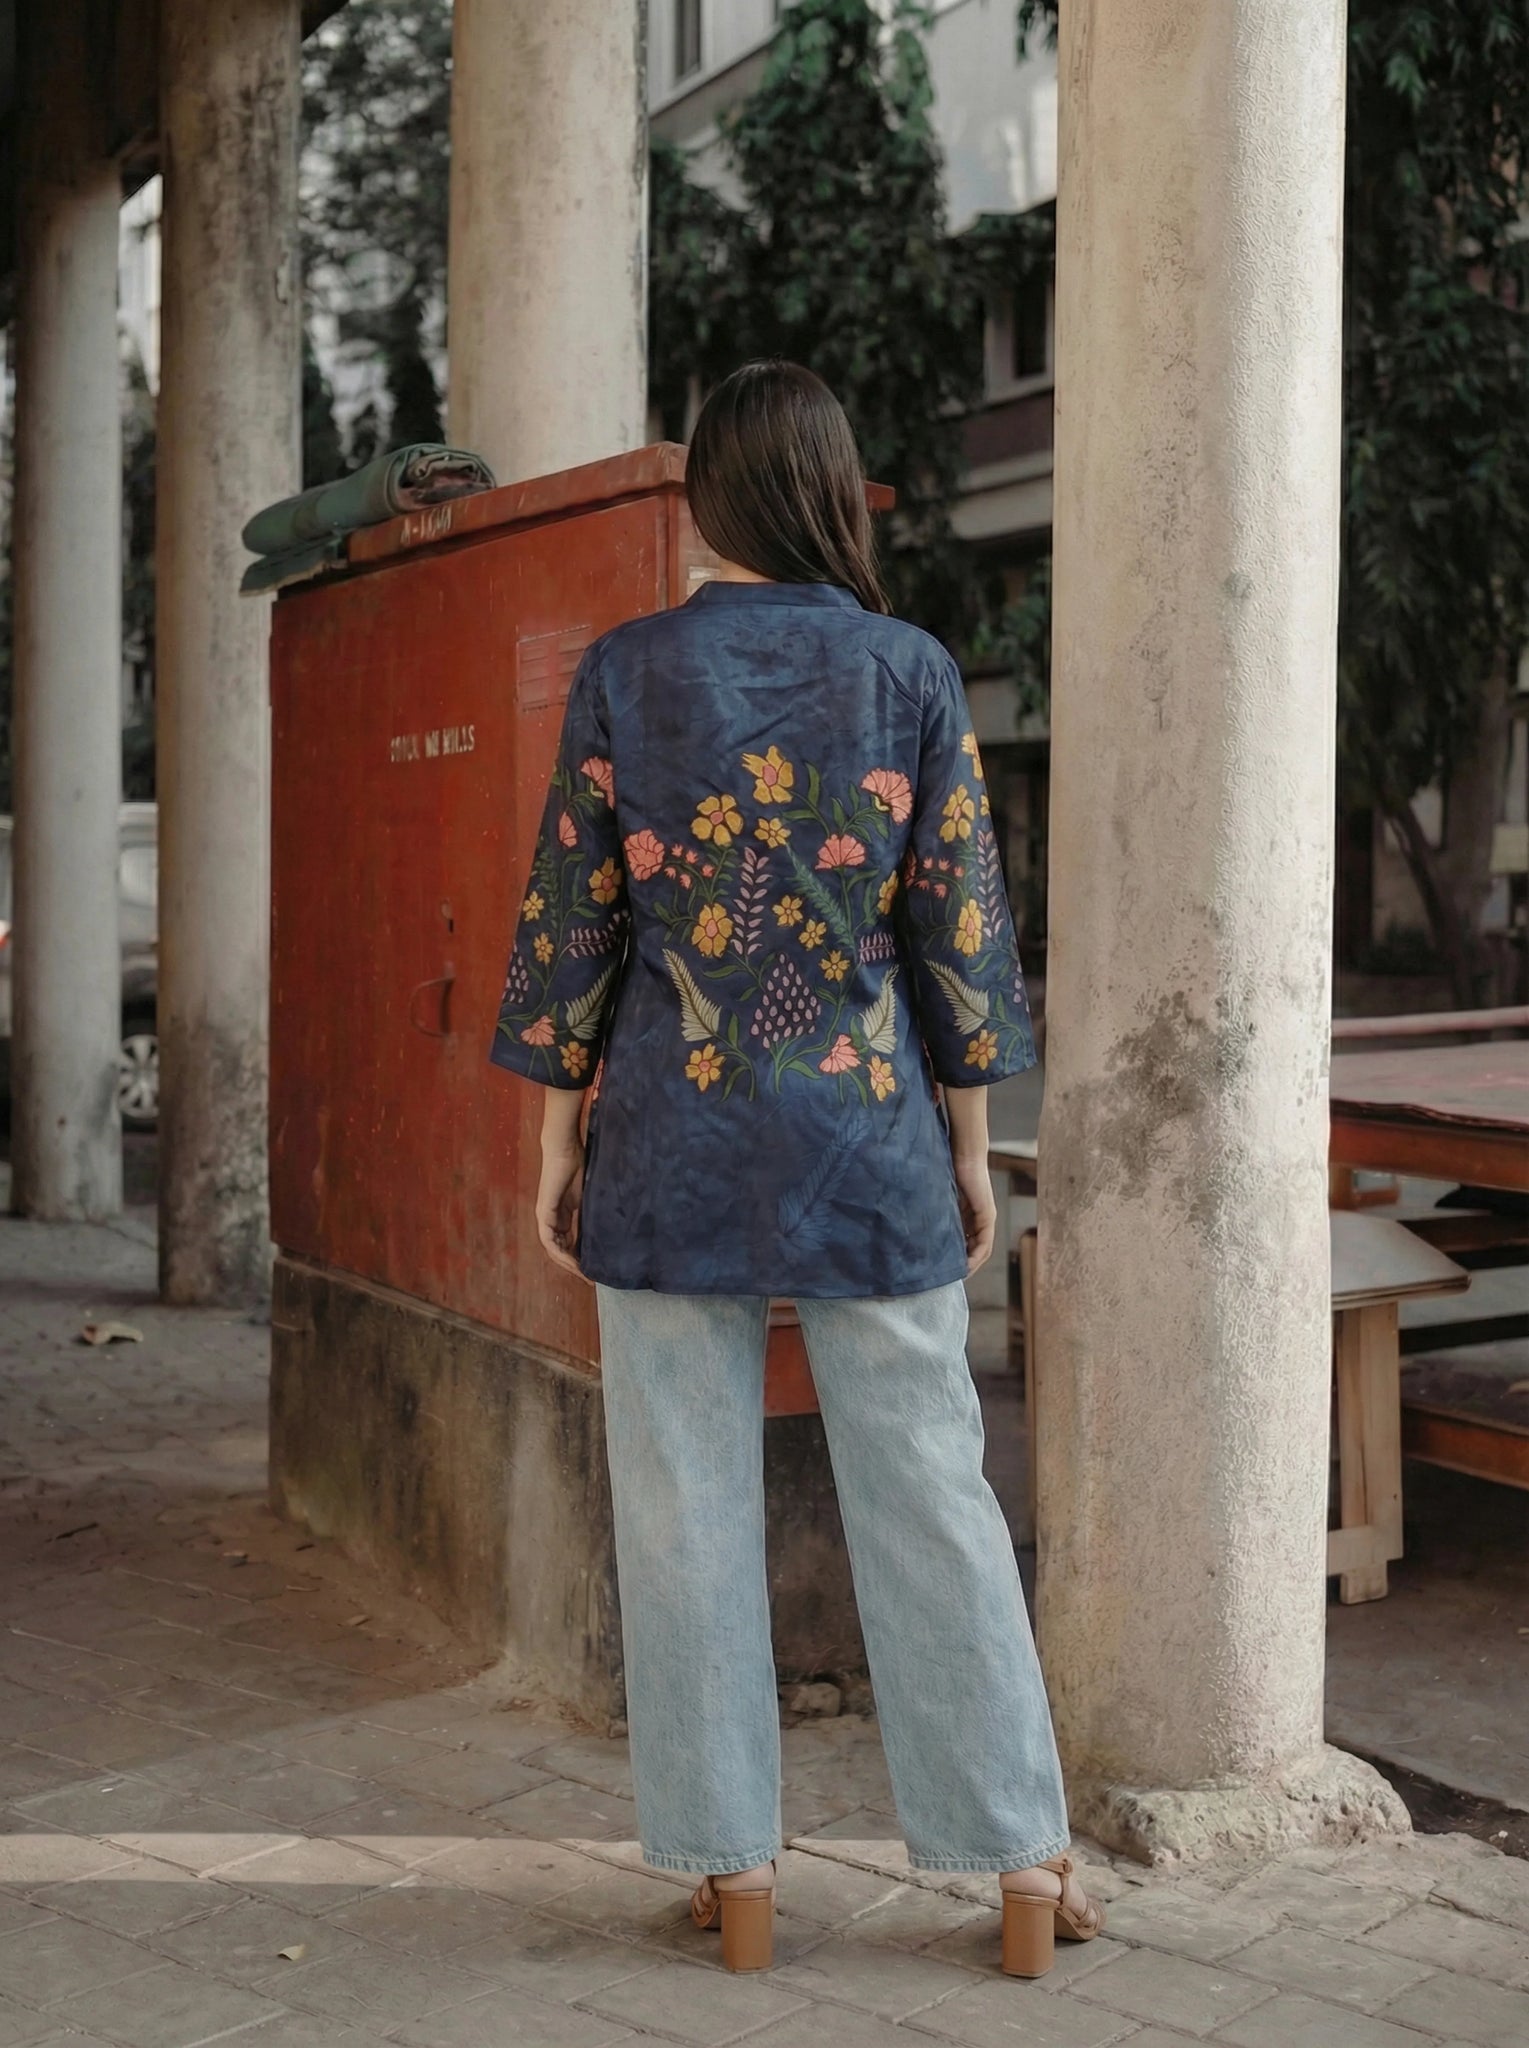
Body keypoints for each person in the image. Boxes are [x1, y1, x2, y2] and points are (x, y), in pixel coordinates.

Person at [490, 360, 1101, 1977]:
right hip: (866, 1145)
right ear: (831, 494)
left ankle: (732, 1876)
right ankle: (1017, 1863)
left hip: (668, 1145)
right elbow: (956, 933)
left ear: (707, 499)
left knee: (680, 1506)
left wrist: (557, 1138)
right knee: (932, 1495)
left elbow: (574, 921)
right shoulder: (908, 670)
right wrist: (966, 1149)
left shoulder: (627, 671)